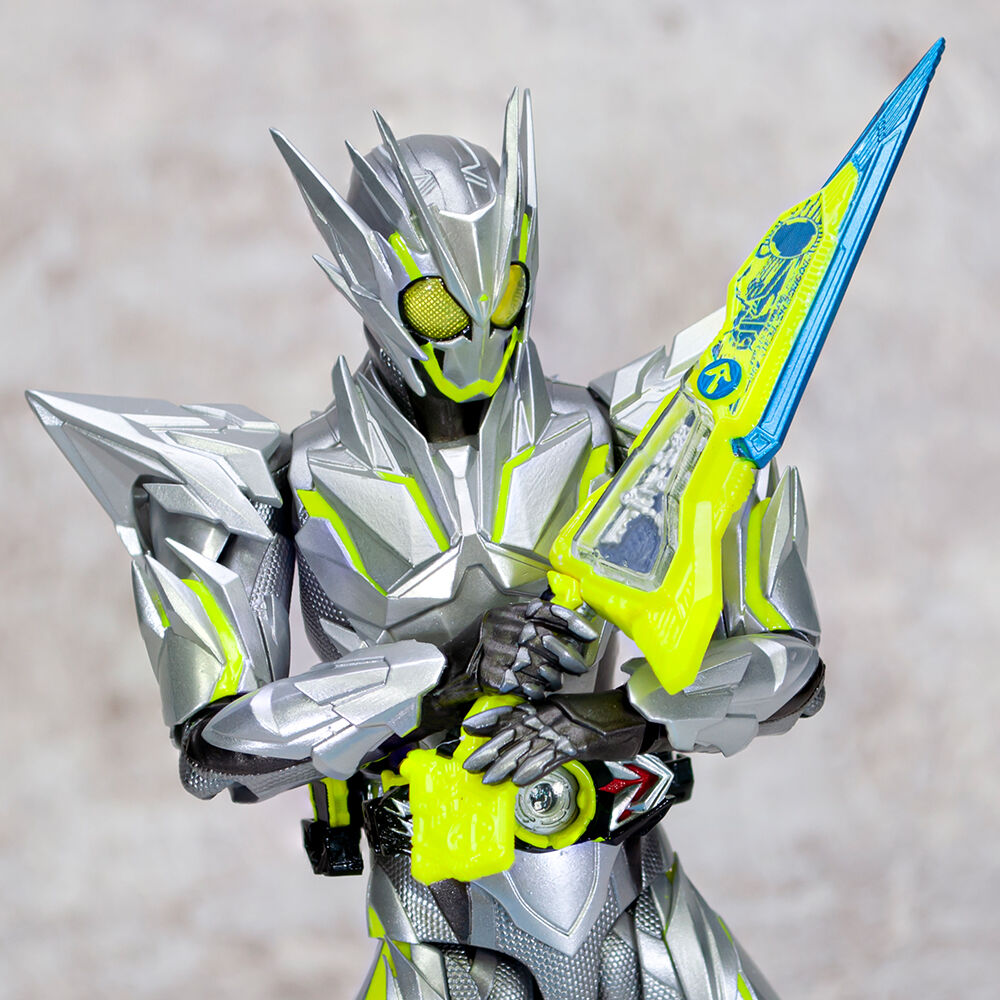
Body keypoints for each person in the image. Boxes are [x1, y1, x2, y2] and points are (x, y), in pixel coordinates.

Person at [29, 46, 941, 995]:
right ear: (368, 278)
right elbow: (221, 747)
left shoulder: (631, 433)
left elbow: (788, 668)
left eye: (505, 294)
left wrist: (606, 716)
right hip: (440, 929)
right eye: (438, 305)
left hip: (637, 900)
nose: (481, 329)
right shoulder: (282, 481)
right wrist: (442, 672)